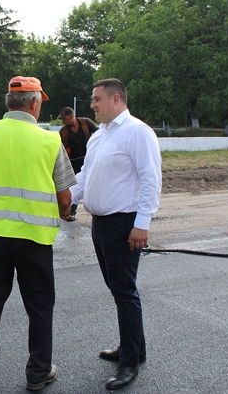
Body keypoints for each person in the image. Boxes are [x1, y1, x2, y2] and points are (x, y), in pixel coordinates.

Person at [0, 76, 76, 392]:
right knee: (39, 306)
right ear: (34, 103)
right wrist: (65, 211)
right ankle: (38, 374)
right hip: (35, 240)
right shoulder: (50, 140)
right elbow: (65, 197)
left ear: (10, 103)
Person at [69, 78, 162, 390]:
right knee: (118, 288)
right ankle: (135, 347)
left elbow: (151, 179)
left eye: (97, 99)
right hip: (101, 224)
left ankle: (129, 362)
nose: (92, 105)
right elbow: (85, 175)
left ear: (116, 99)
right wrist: (68, 198)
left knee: (124, 291)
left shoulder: (137, 131)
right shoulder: (100, 135)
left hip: (124, 224)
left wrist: (142, 223)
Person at [57, 107, 98, 220]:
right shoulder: (63, 132)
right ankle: (71, 212)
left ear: (71, 117)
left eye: (64, 119)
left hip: (89, 160)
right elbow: (59, 148)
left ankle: (96, 206)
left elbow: (99, 134)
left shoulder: (86, 123)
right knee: (74, 186)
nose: (62, 121)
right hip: (73, 163)